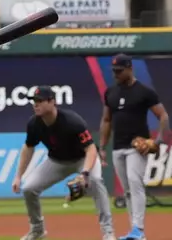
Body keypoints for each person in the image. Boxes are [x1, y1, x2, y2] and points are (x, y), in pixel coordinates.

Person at [12, 86, 115, 240]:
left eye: (39, 101)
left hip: (82, 159)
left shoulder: (72, 121)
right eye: (33, 101)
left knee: (96, 181)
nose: (35, 104)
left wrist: (85, 173)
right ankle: (37, 229)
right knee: (28, 188)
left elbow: (91, 149)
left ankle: (108, 233)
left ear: (52, 101)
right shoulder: (34, 123)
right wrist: (18, 176)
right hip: (57, 162)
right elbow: (28, 147)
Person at [99, 54, 169, 240]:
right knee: (128, 190)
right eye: (114, 71)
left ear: (130, 68)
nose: (116, 74)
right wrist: (102, 146)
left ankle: (138, 229)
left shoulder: (145, 91)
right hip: (117, 147)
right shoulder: (110, 92)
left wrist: (158, 140)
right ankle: (136, 232)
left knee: (134, 181)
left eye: (119, 71)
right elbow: (106, 120)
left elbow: (163, 116)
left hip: (138, 147)